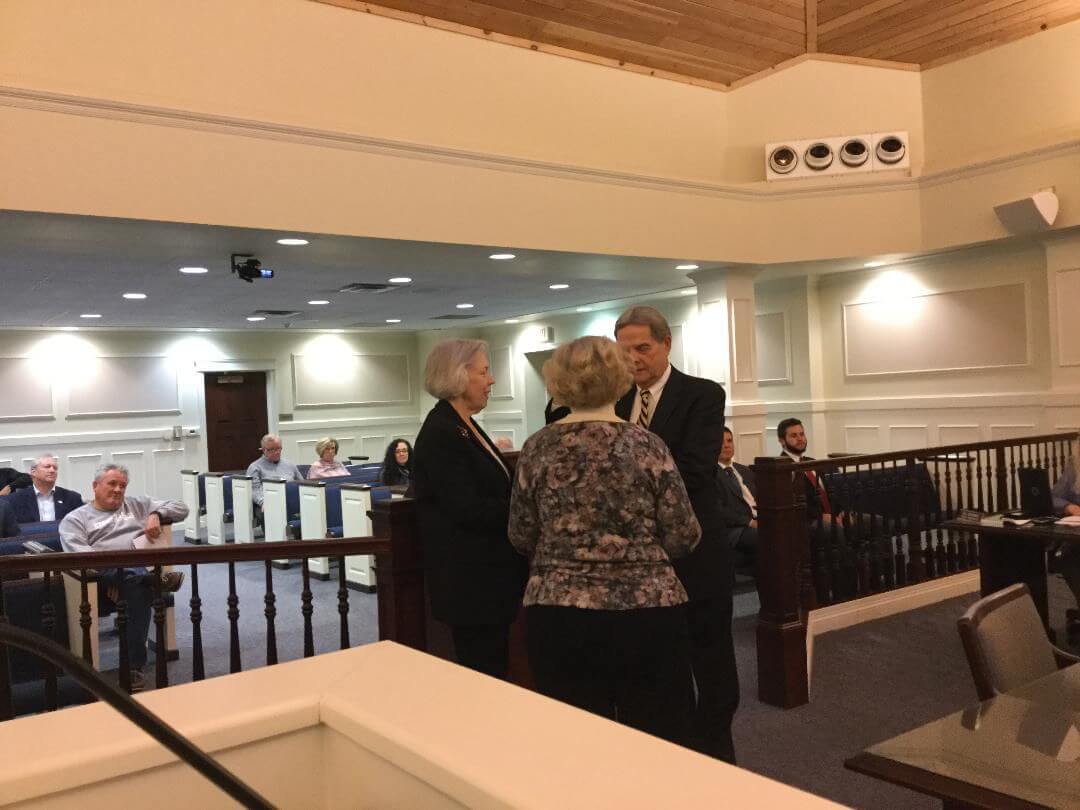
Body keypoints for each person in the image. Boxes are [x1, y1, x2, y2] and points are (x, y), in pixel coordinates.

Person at [509, 336, 700, 746]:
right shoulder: (648, 445)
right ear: (621, 378)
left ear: (558, 382)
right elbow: (684, 533)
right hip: (647, 610)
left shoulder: (537, 447)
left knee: (574, 740)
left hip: (560, 610)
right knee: (656, 737)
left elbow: (521, 533)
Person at [613, 305, 737, 763]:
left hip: (696, 551)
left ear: (666, 344)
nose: (633, 360)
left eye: (643, 348)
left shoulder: (701, 395)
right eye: (624, 351)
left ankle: (718, 752)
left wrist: (628, 494)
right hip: (643, 561)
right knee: (664, 665)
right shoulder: (616, 400)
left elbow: (694, 469)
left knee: (712, 659)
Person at [413, 339, 526, 678]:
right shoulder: (442, 432)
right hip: (471, 583)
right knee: (483, 672)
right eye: (484, 371)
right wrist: (524, 507)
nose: (490, 381)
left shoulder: (463, 425)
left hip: (487, 579)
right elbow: (466, 507)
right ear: (459, 376)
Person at [59, 463, 187, 691]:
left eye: (123, 485)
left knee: (137, 590)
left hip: (133, 576)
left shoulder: (138, 505)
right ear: (95, 486)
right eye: (112, 484)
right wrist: (111, 570)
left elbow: (181, 508)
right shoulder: (76, 518)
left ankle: (132, 668)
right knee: (138, 581)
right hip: (98, 575)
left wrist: (157, 514)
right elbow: (79, 554)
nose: (118, 489)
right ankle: (149, 582)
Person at [777, 418, 837, 527]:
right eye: (794, 436)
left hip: (831, 515)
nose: (800, 439)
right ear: (782, 441)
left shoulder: (812, 462)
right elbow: (793, 504)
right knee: (832, 529)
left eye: (802, 434)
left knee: (872, 521)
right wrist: (821, 516)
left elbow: (830, 492)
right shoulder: (782, 467)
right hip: (806, 522)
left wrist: (840, 512)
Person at [718, 427, 758, 567]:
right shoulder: (710, 475)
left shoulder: (745, 470)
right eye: (721, 442)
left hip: (758, 520)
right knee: (766, 536)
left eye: (729, 441)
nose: (726, 445)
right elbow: (719, 510)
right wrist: (749, 522)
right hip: (736, 528)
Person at [4, 454, 83, 523]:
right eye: (47, 467)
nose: (52, 470)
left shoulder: (72, 498)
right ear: (33, 471)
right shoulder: (14, 500)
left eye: (55, 468)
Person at [1052, 446, 1080, 634]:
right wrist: (1068, 506)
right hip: (1076, 536)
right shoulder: (1075, 463)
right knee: (1068, 558)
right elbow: (1054, 496)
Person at [246, 434, 303, 508]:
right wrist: (263, 502)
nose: (276, 452)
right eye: (271, 449)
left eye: (278, 448)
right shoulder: (255, 467)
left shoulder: (290, 464)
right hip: (270, 504)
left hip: (292, 502)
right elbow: (254, 490)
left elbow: (302, 483)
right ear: (263, 450)